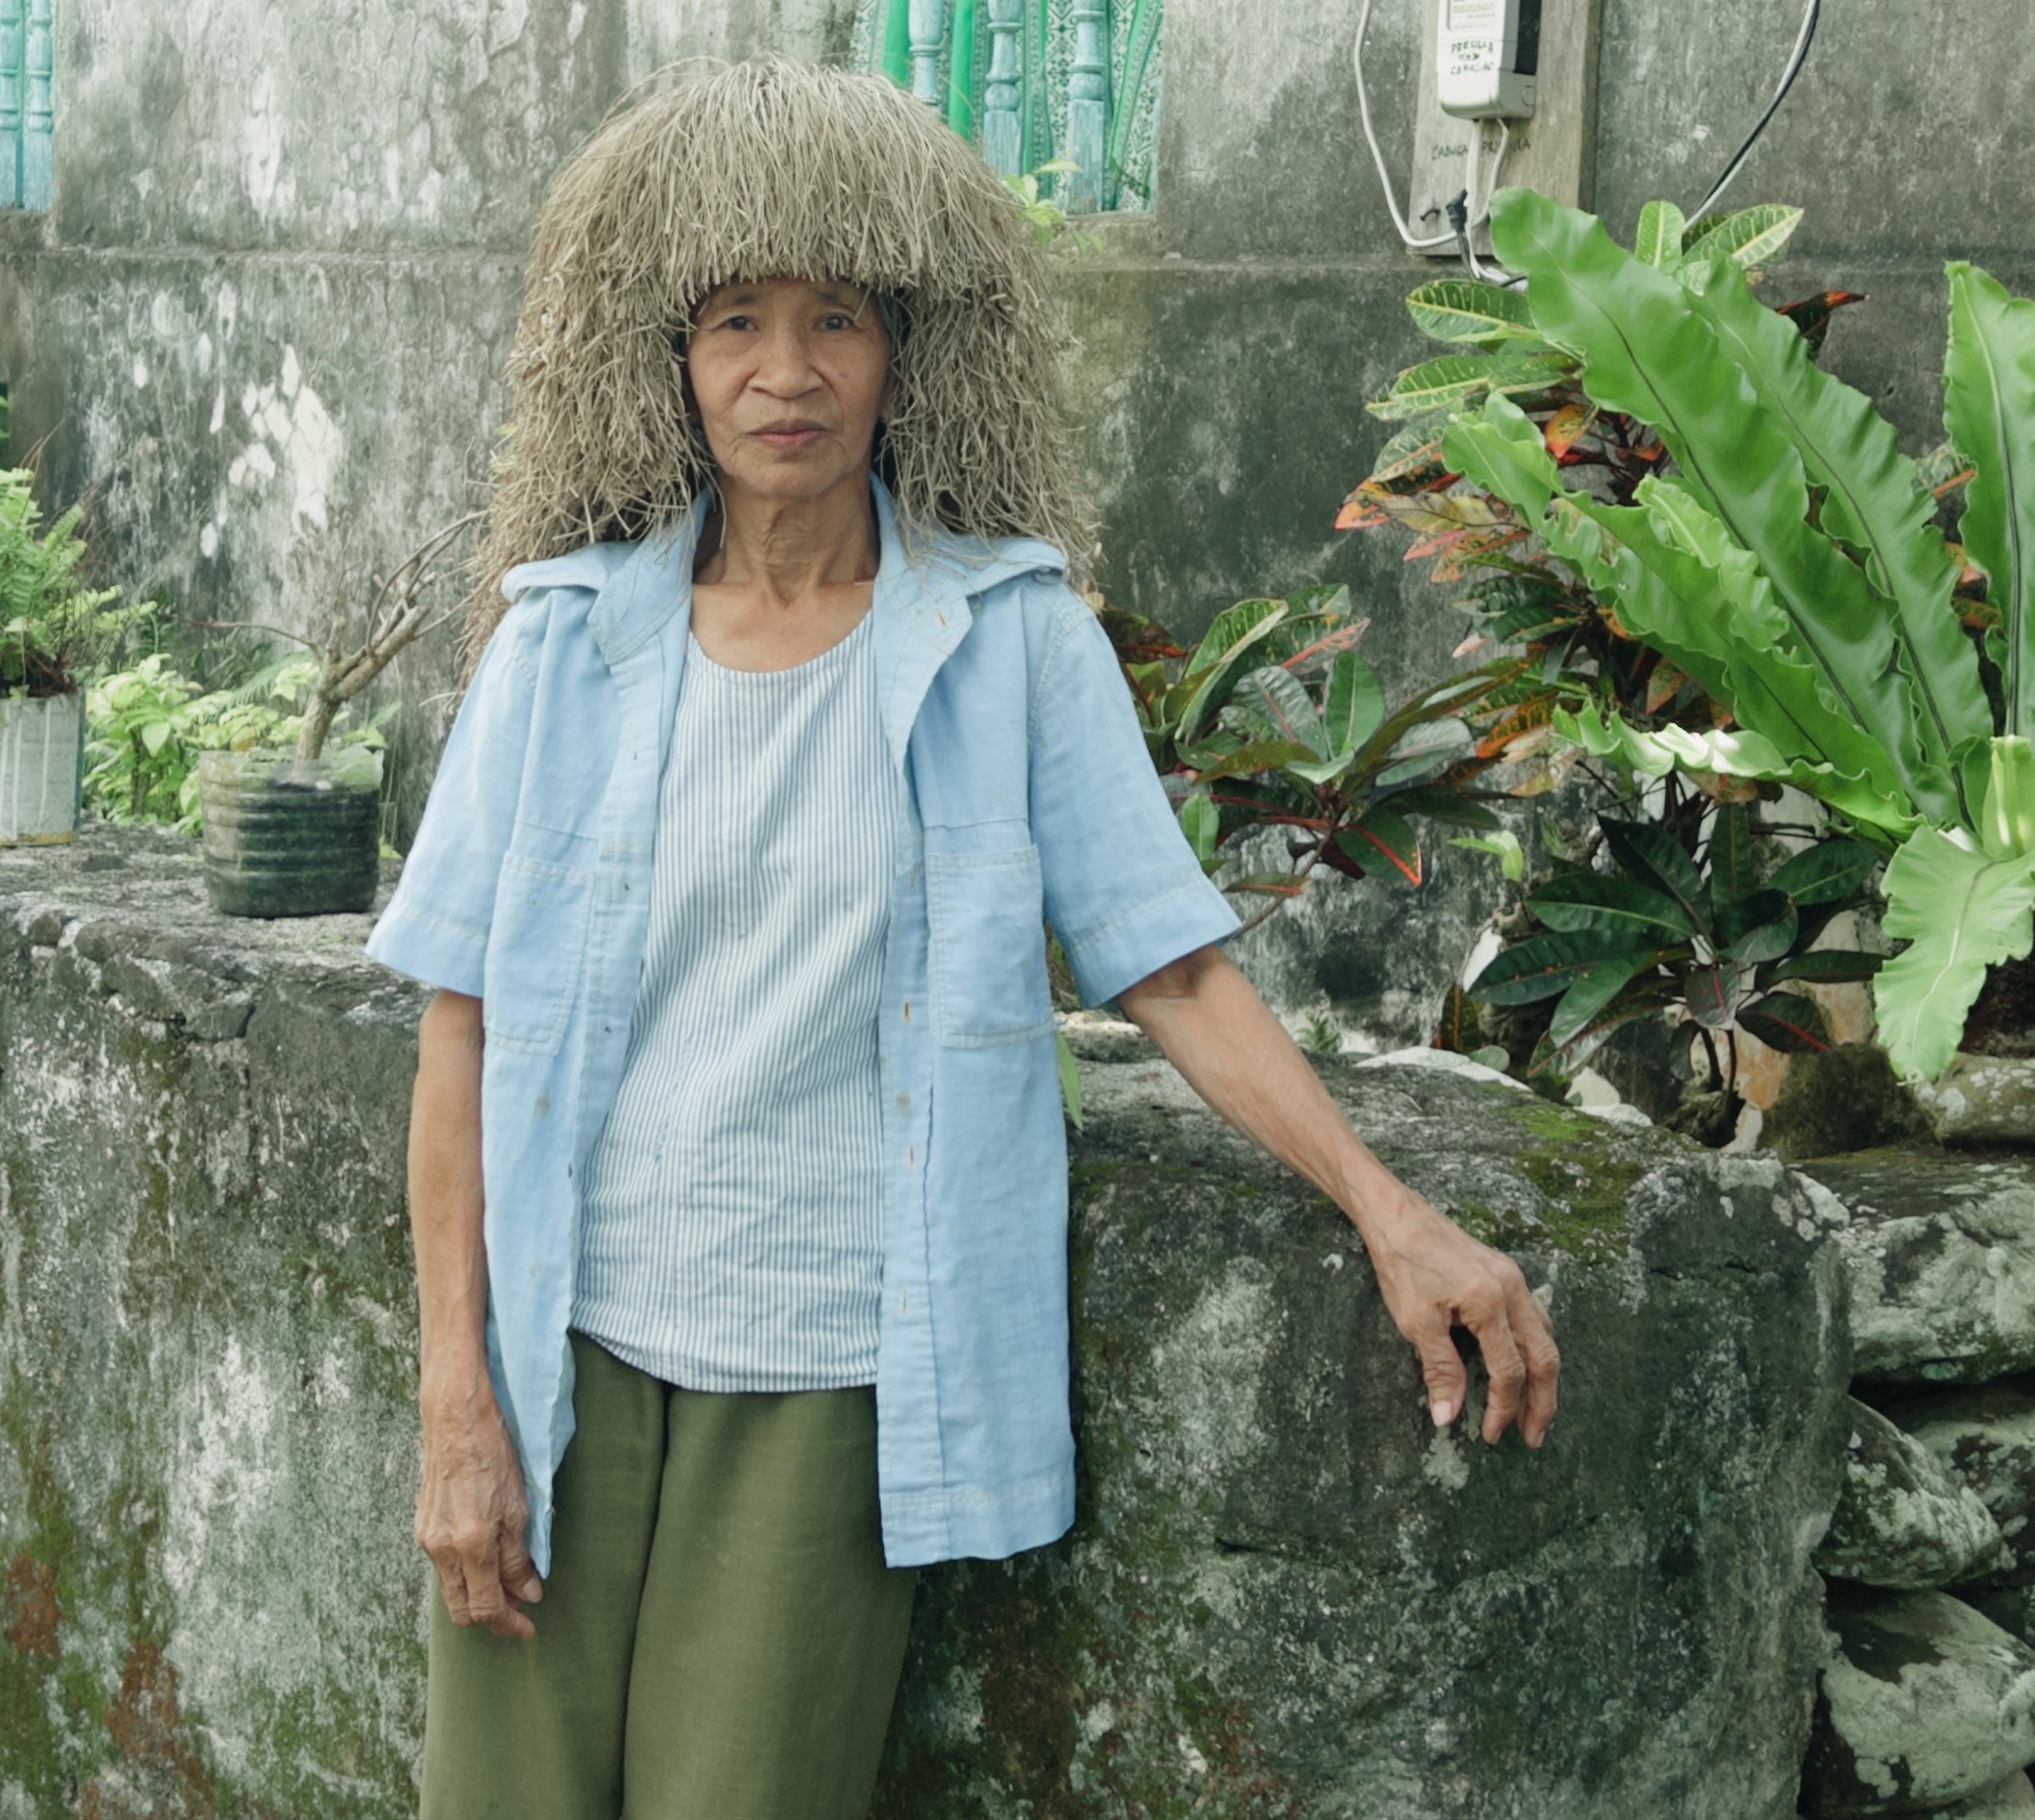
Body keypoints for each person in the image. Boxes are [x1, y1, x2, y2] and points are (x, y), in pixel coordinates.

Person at [365, 59, 1560, 1820]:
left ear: (907, 350)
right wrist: (456, 1402)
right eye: (736, 324)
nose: (786, 373)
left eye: (835, 318)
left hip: (834, 1359)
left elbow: (1169, 968)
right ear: (668, 362)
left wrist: (1388, 1210)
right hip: (565, 1342)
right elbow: (457, 1032)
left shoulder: (1007, 642)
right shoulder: (557, 648)